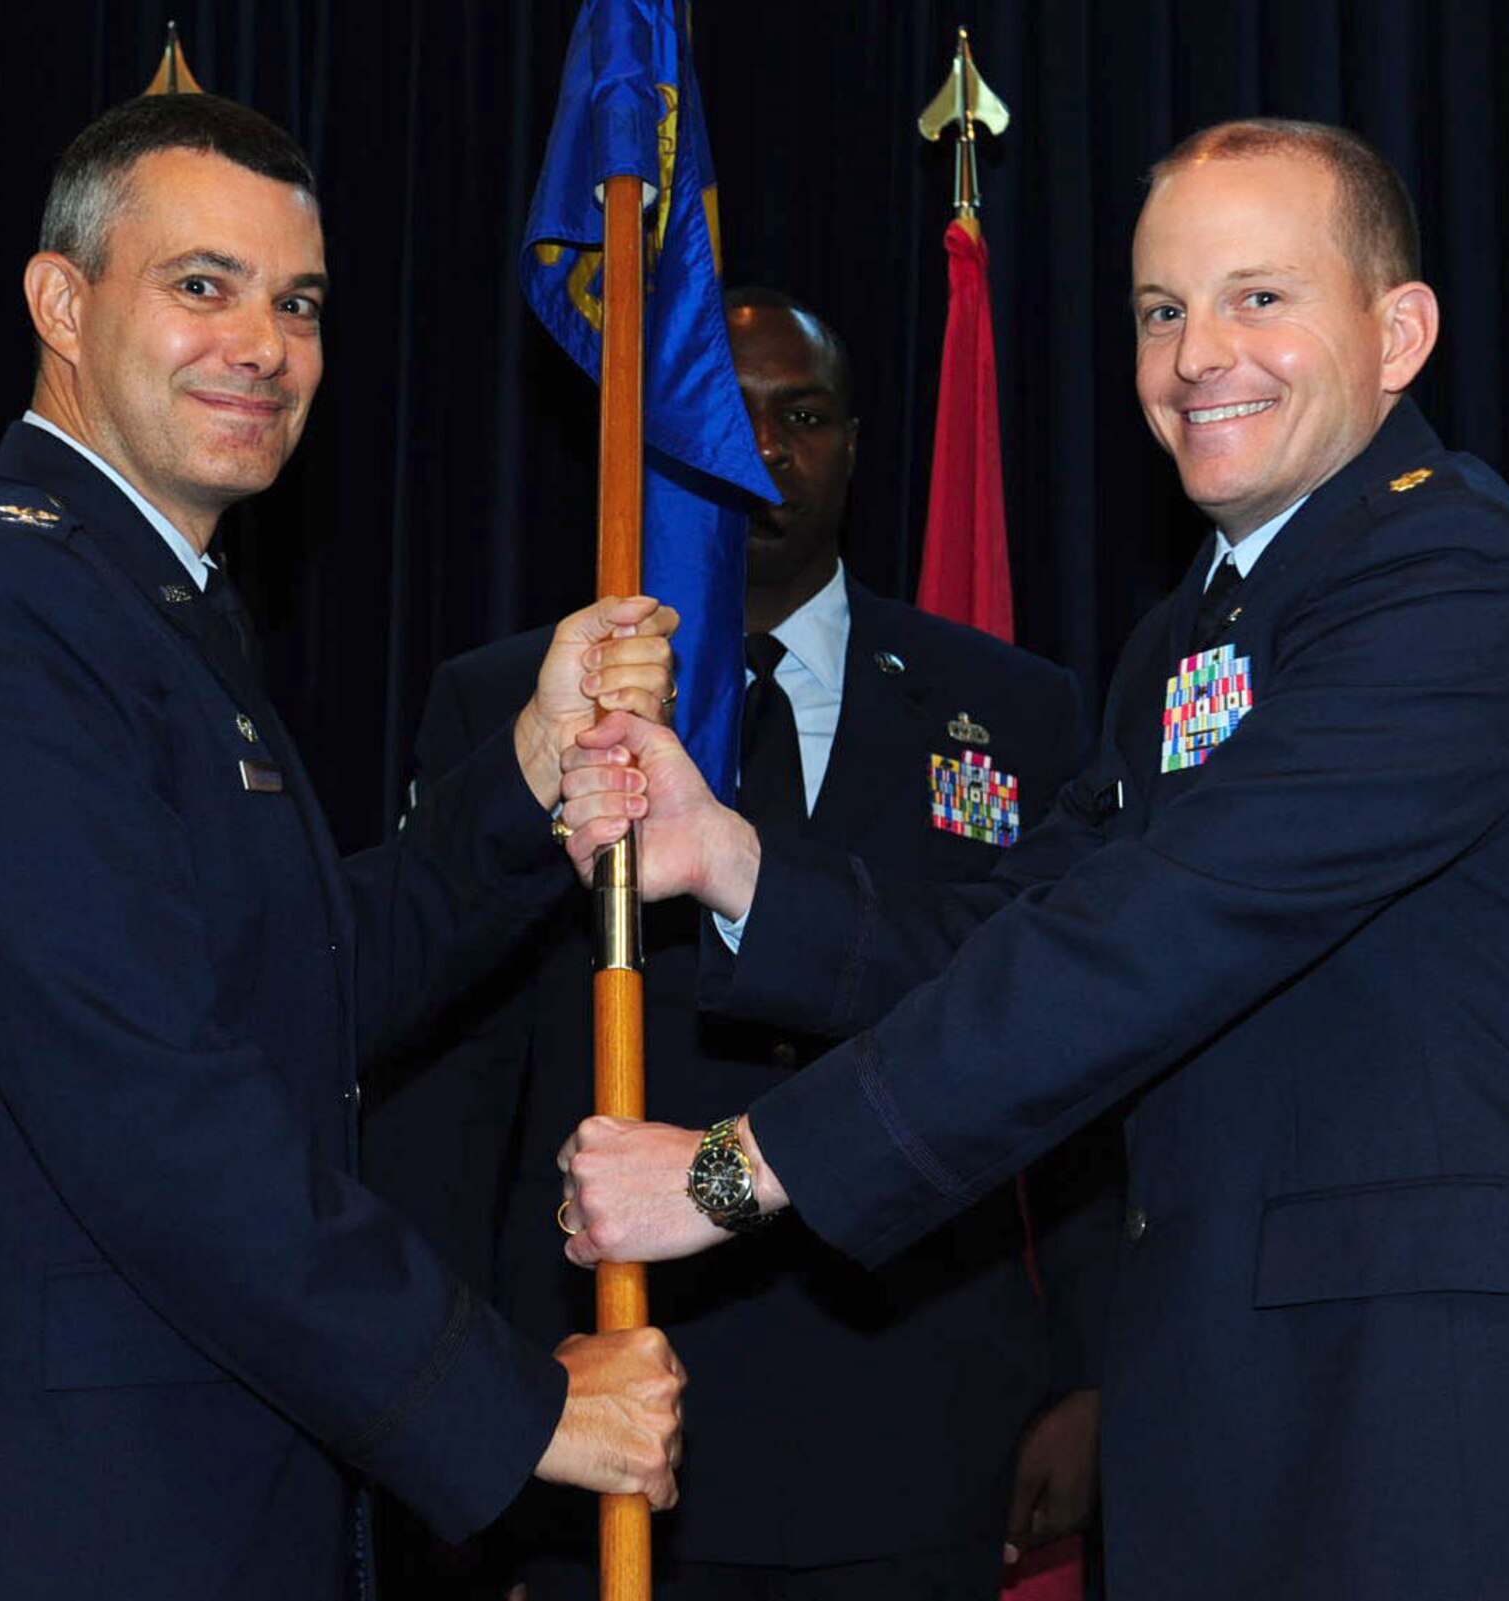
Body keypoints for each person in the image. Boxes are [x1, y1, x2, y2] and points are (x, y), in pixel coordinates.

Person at [552, 120, 1509, 1599]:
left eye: (1261, 298)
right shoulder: (1193, 633)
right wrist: (728, 862)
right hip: (1231, 1446)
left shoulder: (1461, 590)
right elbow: (1025, 926)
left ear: (1399, 332)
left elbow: (1145, 946)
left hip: (1449, 1455)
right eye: (1163, 311)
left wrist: (735, 1173)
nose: (1197, 357)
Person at [0, 92, 686, 1601]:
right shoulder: (8, 626)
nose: (264, 344)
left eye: (298, 304)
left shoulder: (142, 609)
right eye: (202, 285)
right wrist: (516, 1404)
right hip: (74, 1531)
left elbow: (295, 987)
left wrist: (534, 772)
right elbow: (160, 1115)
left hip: (192, 1502)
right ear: (62, 304)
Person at [365, 288, 1117, 1599]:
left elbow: (1073, 1062)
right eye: (730, 417)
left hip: (922, 1411)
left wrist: (1089, 1372)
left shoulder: (1013, 705)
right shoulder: (523, 702)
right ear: (660, 442)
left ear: (857, 443)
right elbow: (443, 1088)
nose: (767, 452)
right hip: (609, 1409)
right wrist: (454, 1414)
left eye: (805, 415)